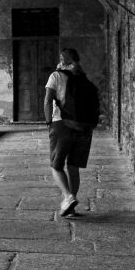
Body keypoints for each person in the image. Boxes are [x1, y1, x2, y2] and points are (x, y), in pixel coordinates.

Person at [44, 48, 93, 217]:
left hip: (61, 124)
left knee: (56, 165)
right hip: (83, 127)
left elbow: (47, 101)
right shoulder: (82, 76)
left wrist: (49, 122)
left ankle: (68, 196)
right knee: (73, 167)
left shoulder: (56, 76)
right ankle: (71, 207)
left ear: (62, 60)